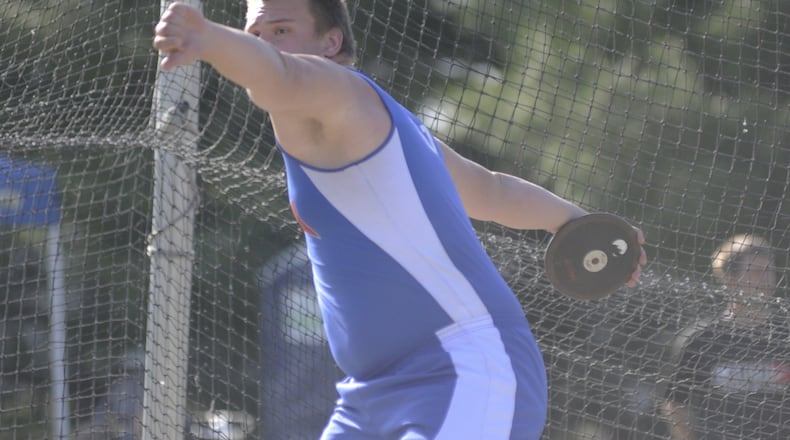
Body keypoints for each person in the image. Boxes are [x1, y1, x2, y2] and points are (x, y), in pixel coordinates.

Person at [153, 1, 647, 438]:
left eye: (280, 30)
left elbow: (281, 74)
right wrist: (579, 223)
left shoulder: (340, 94)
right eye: (254, 34)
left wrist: (212, 38)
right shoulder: (384, 125)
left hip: (464, 371)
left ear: (331, 42)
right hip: (370, 394)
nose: (262, 43)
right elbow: (489, 189)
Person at [662, 234, 790, 440]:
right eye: (756, 272)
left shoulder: (786, 336)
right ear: (730, 279)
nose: (765, 280)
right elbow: (675, 403)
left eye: (770, 271)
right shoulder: (701, 340)